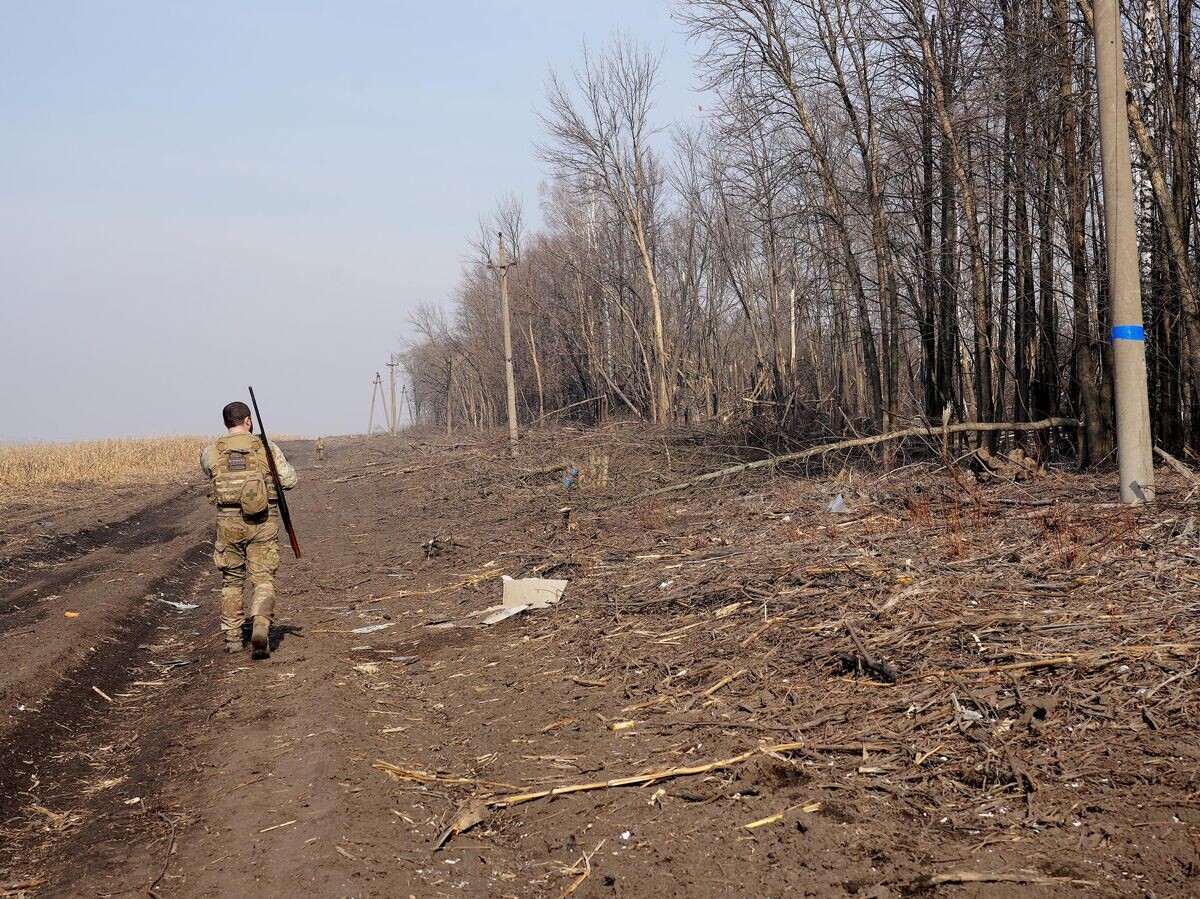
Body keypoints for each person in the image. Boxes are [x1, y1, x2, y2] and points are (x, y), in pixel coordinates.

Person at [200, 401, 298, 658]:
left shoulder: (212, 451)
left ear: (225, 423)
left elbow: (209, 473)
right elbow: (289, 480)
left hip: (227, 523)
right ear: (248, 421)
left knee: (231, 580)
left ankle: (233, 639)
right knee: (263, 578)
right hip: (263, 522)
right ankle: (261, 627)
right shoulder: (266, 448)